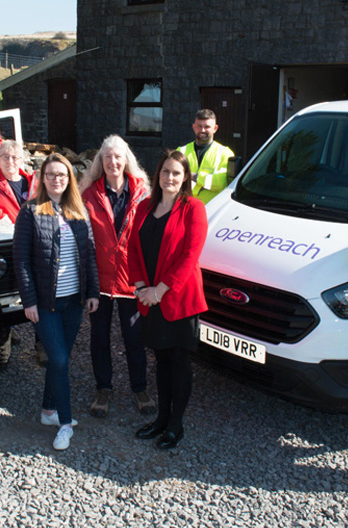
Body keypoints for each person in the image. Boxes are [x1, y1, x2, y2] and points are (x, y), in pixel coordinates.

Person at [13, 153, 99, 451]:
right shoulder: (30, 211)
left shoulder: (79, 210)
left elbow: (89, 255)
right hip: (46, 304)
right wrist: (29, 301)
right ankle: (64, 422)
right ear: (42, 178)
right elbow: (21, 261)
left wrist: (93, 292)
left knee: (60, 361)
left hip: (74, 302)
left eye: (62, 174)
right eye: (51, 174)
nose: (56, 179)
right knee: (59, 359)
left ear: (69, 178)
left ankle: (48, 410)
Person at [128, 150, 208, 450]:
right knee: (160, 361)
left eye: (176, 173)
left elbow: (190, 257)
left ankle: (176, 425)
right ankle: (161, 419)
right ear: (157, 174)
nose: (170, 177)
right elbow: (132, 250)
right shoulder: (144, 209)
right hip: (149, 299)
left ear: (185, 177)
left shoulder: (194, 208)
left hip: (179, 300)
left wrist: (159, 291)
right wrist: (140, 288)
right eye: (165, 172)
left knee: (179, 362)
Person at [80, 135, 155, 418]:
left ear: (127, 160)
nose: (113, 161)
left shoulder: (144, 195)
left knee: (134, 338)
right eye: (107, 156)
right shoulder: (89, 195)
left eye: (118, 156)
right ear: (101, 161)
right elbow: (85, 243)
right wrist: (87, 285)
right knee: (99, 338)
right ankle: (103, 388)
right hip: (100, 282)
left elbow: (149, 240)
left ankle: (139, 388)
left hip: (131, 282)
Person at [177, 109, 235, 204]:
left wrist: (194, 177)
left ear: (215, 128)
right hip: (184, 207)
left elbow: (221, 182)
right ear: (194, 127)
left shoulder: (225, 153)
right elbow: (174, 179)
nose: (202, 130)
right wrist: (207, 182)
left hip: (210, 209)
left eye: (207, 127)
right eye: (199, 126)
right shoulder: (181, 151)